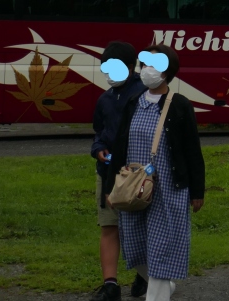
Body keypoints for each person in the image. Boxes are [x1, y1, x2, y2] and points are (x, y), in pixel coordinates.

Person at [103, 44, 205, 301]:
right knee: (134, 246)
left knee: (162, 247)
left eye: (155, 65)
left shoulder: (180, 105)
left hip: (168, 190)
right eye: (145, 64)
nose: (148, 70)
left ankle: (158, 294)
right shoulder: (133, 103)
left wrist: (197, 191)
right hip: (132, 188)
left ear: (168, 71)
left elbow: (192, 150)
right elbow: (120, 146)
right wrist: (110, 187)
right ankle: (163, 285)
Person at [89, 41, 145, 301]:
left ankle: (145, 275)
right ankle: (110, 284)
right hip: (108, 172)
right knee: (109, 225)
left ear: (131, 68)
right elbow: (100, 132)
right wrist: (98, 148)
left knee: (141, 226)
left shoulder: (145, 95)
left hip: (137, 174)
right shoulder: (105, 99)